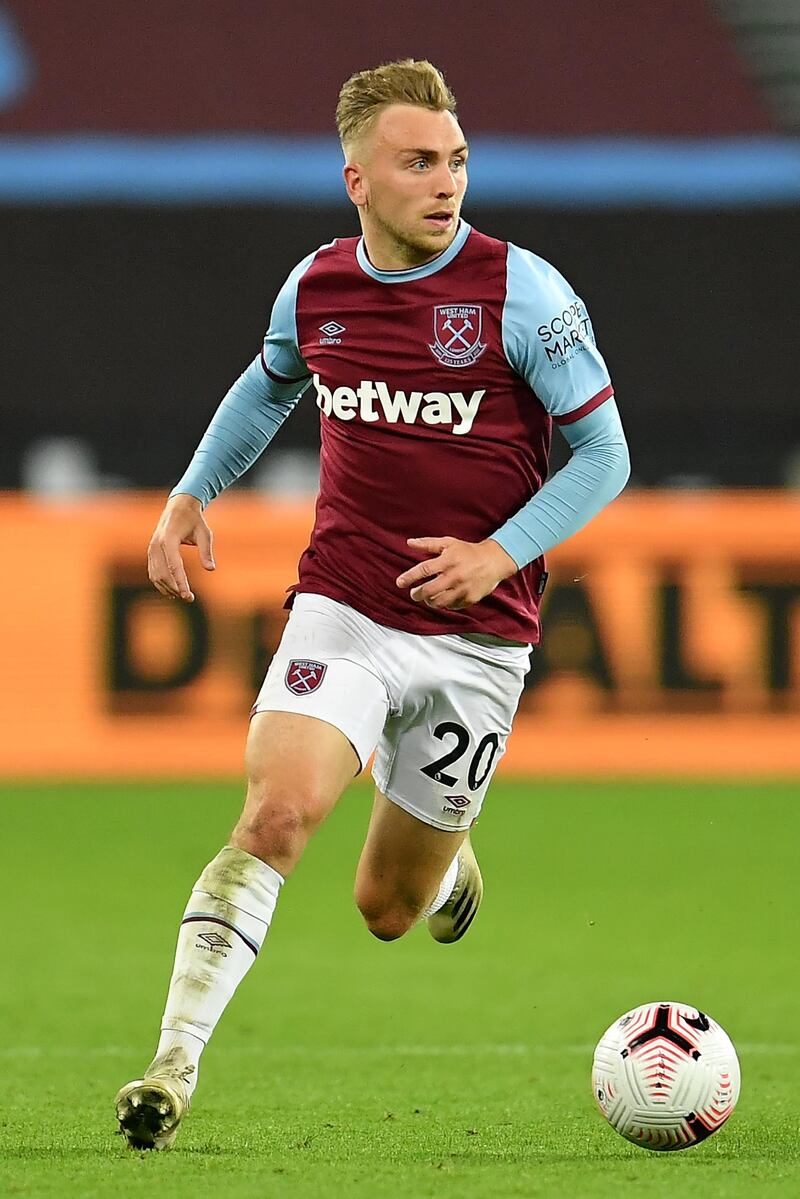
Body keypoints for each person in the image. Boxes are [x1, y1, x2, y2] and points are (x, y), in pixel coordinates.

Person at [115, 58, 630, 1150]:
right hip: (343, 604)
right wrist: (190, 493)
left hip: (479, 640)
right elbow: (267, 382)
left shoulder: (520, 291)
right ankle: (172, 1062)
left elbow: (603, 453)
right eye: (416, 162)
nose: (444, 182)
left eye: (454, 160)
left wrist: (499, 551)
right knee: (274, 815)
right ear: (356, 177)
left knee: (387, 909)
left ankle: (444, 857)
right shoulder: (317, 288)